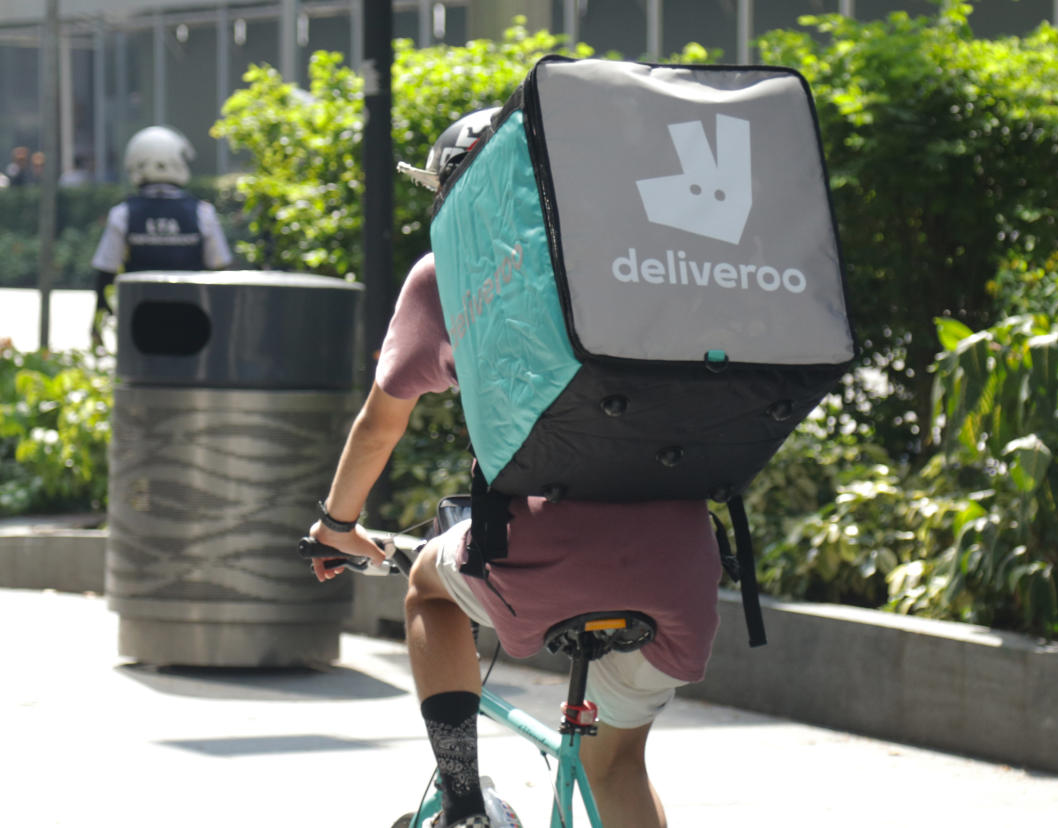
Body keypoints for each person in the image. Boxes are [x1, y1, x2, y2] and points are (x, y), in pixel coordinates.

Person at [308, 110, 722, 828]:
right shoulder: (640, 252)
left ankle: (464, 801)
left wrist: (336, 525)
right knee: (618, 763)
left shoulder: (451, 271)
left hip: (540, 547)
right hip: (680, 558)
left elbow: (380, 423)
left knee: (428, 590)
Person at [89, 125, 232, 347]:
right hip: (194, 326)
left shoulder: (123, 213)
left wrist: (96, 325)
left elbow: (105, 271)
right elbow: (220, 267)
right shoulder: (203, 212)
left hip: (138, 326)